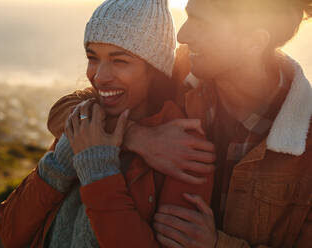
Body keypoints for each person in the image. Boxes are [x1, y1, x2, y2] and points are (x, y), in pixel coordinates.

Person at [47, 0, 312, 247]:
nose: (182, 35)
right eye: (187, 17)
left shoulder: (306, 143)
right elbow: (64, 111)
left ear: (254, 42)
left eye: (201, 23)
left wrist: (217, 245)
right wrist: (137, 136)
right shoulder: (180, 72)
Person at [0, 0, 216, 247]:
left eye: (119, 61)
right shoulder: (85, 124)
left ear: (154, 69)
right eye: (93, 58)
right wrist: (62, 160)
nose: (99, 77)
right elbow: (10, 233)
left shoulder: (184, 149)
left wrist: (98, 173)